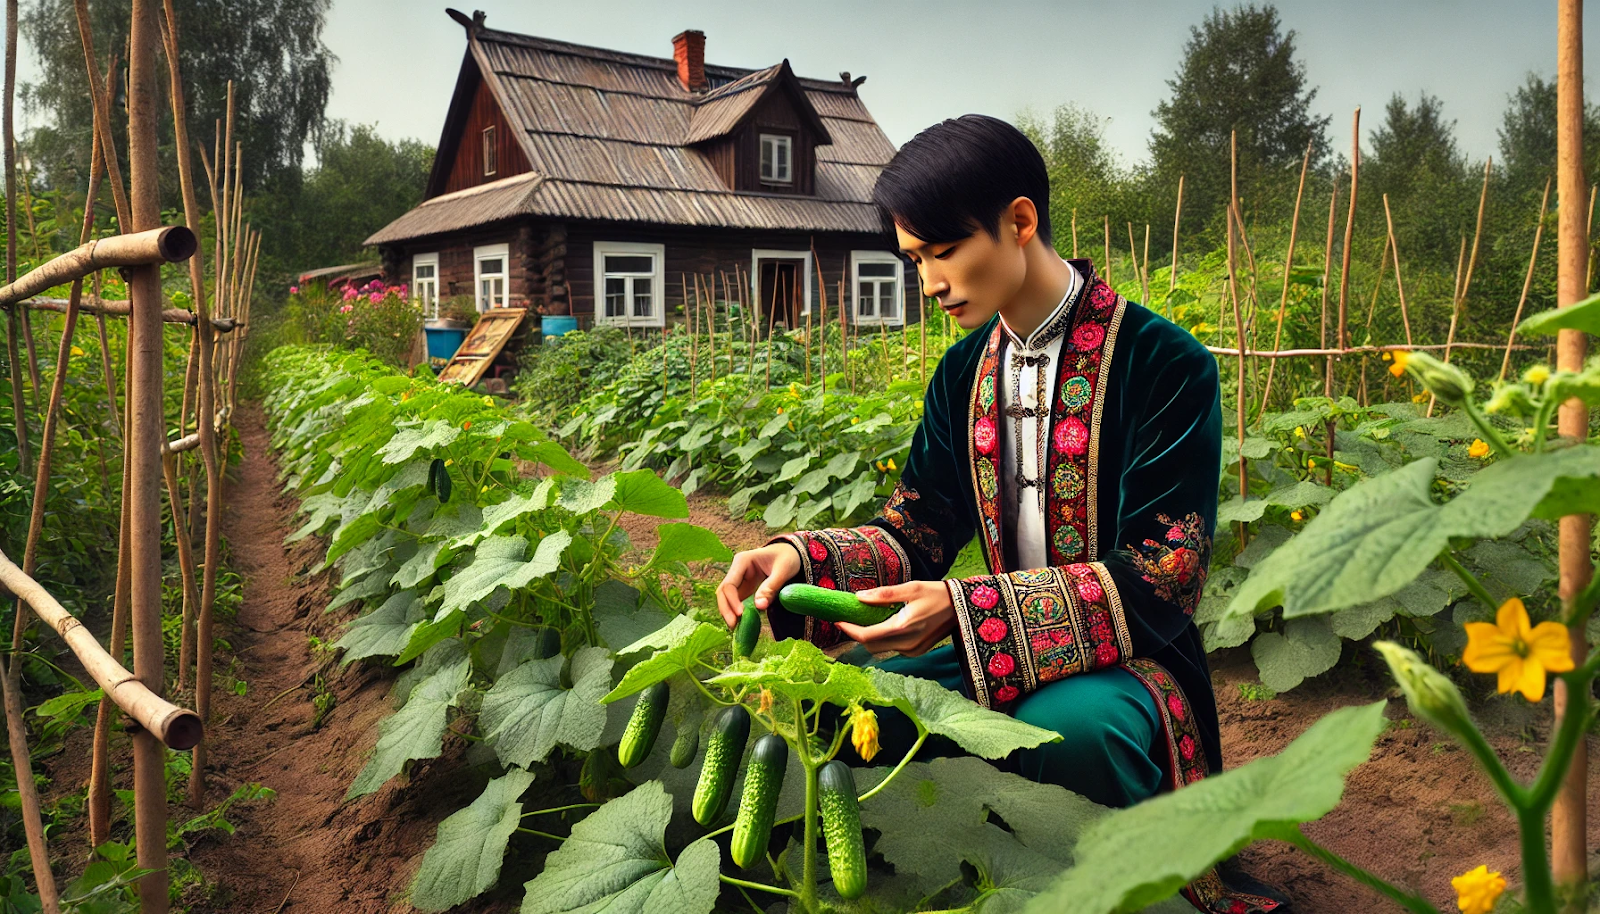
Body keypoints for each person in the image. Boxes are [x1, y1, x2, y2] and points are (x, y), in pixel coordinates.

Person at [715, 114, 1286, 914]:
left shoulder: (1164, 363)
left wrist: (961, 609)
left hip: (1128, 654)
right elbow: (916, 529)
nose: (931, 283)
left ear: (1019, 222)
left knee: (1074, 731)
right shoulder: (961, 373)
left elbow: (1164, 574)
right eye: (916, 261)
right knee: (850, 697)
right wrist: (799, 561)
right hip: (988, 632)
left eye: (944, 252)